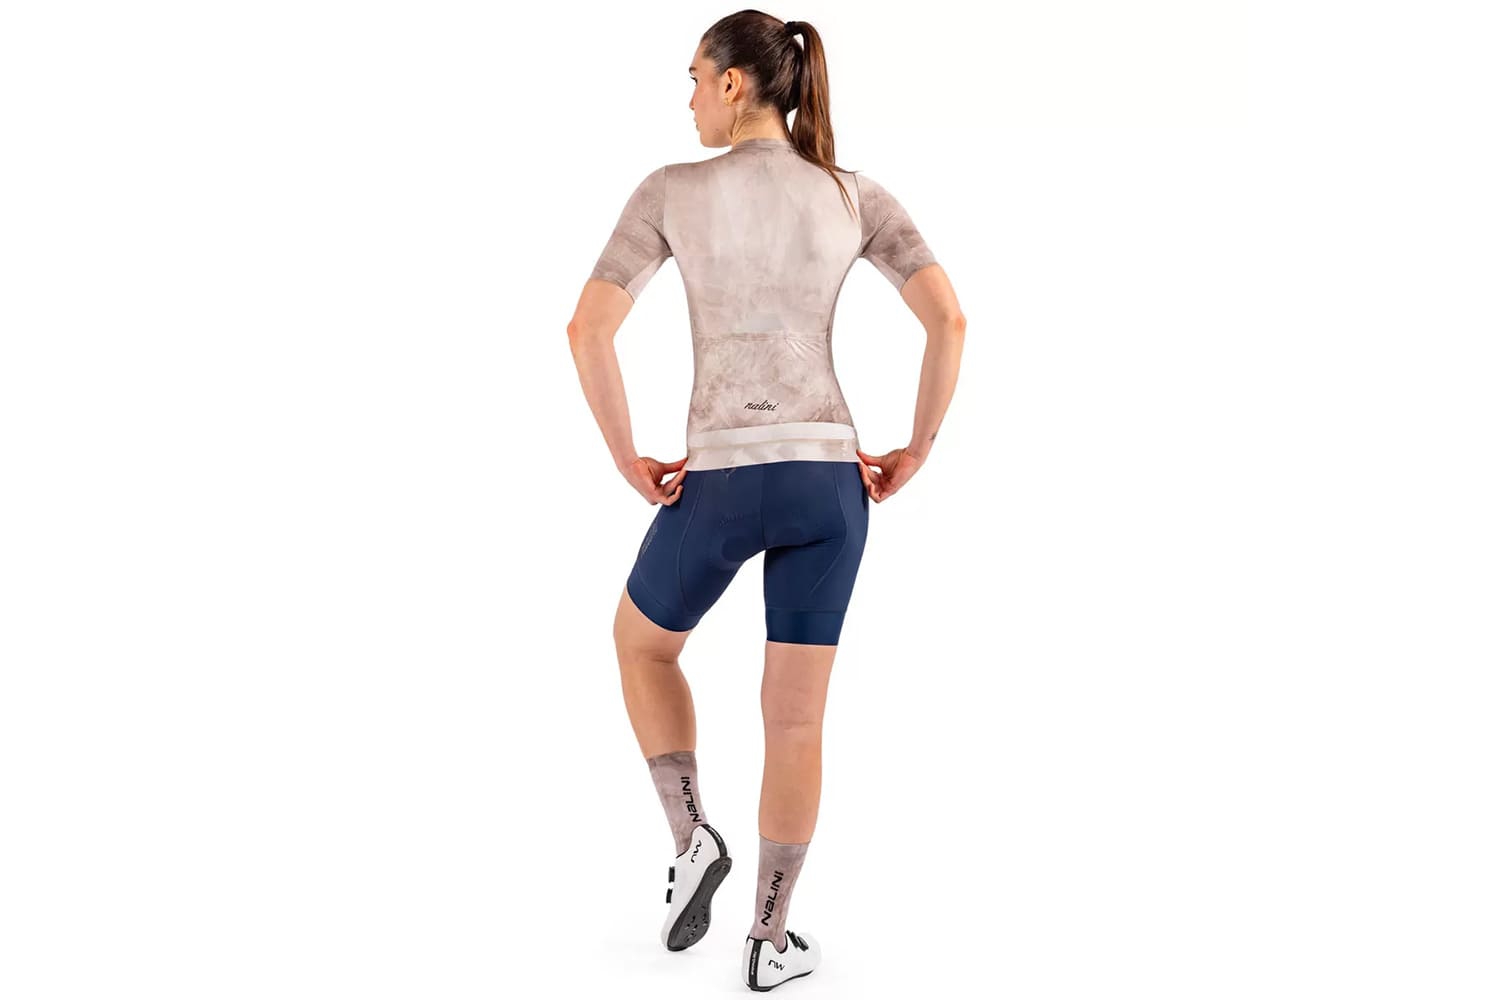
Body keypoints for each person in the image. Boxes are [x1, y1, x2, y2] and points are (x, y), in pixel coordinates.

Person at [567, 10, 965, 991]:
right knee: (795, 723)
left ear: (734, 83)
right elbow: (949, 319)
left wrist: (626, 459)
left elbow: (587, 328)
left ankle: (691, 837)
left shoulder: (670, 191)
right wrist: (916, 448)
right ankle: (769, 938)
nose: (690, 100)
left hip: (720, 478)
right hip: (828, 483)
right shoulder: (853, 194)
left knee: (640, 644)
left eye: (694, 79)